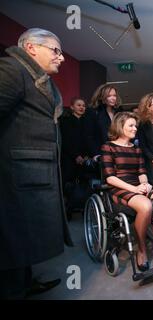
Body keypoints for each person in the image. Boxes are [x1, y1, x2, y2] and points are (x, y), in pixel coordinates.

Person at [0, 28, 73, 299]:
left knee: (24, 236)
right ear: (31, 48)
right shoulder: (11, 70)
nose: (62, 58)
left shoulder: (37, 77)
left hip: (34, 174)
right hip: (15, 175)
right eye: (56, 50)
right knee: (13, 237)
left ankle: (26, 281)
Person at [101, 112, 153, 268]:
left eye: (135, 125)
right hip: (119, 187)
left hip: (136, 185)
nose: (135, 128)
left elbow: (142, 172)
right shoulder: (108, 147)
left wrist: (145, 185)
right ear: (119, 126)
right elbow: (110, 178)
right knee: (146, 205)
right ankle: (142, 251)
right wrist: (135, 189)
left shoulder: (136, 149)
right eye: (131, 125)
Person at [60, 97, 91, 218]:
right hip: (69, 159)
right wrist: (76, 156)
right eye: (79, 105)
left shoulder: (87, 121)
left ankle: (83, 208)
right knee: (68, 184)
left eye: (83, 105)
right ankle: (68, 210)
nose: (82, 107)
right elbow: (66, 141)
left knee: (84, 184)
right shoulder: (65, 121)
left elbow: (88, 141)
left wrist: (86, 155)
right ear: (72, 107)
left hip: (84, 158)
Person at [85, 84, 123, 160]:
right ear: (102, 96)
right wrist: (95, 154)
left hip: (119, 152)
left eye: (114, 95)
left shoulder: (119, 111)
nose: (113, 98)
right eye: (109, 96)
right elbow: (88, 136)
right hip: (102, 153)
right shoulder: (93, 112)